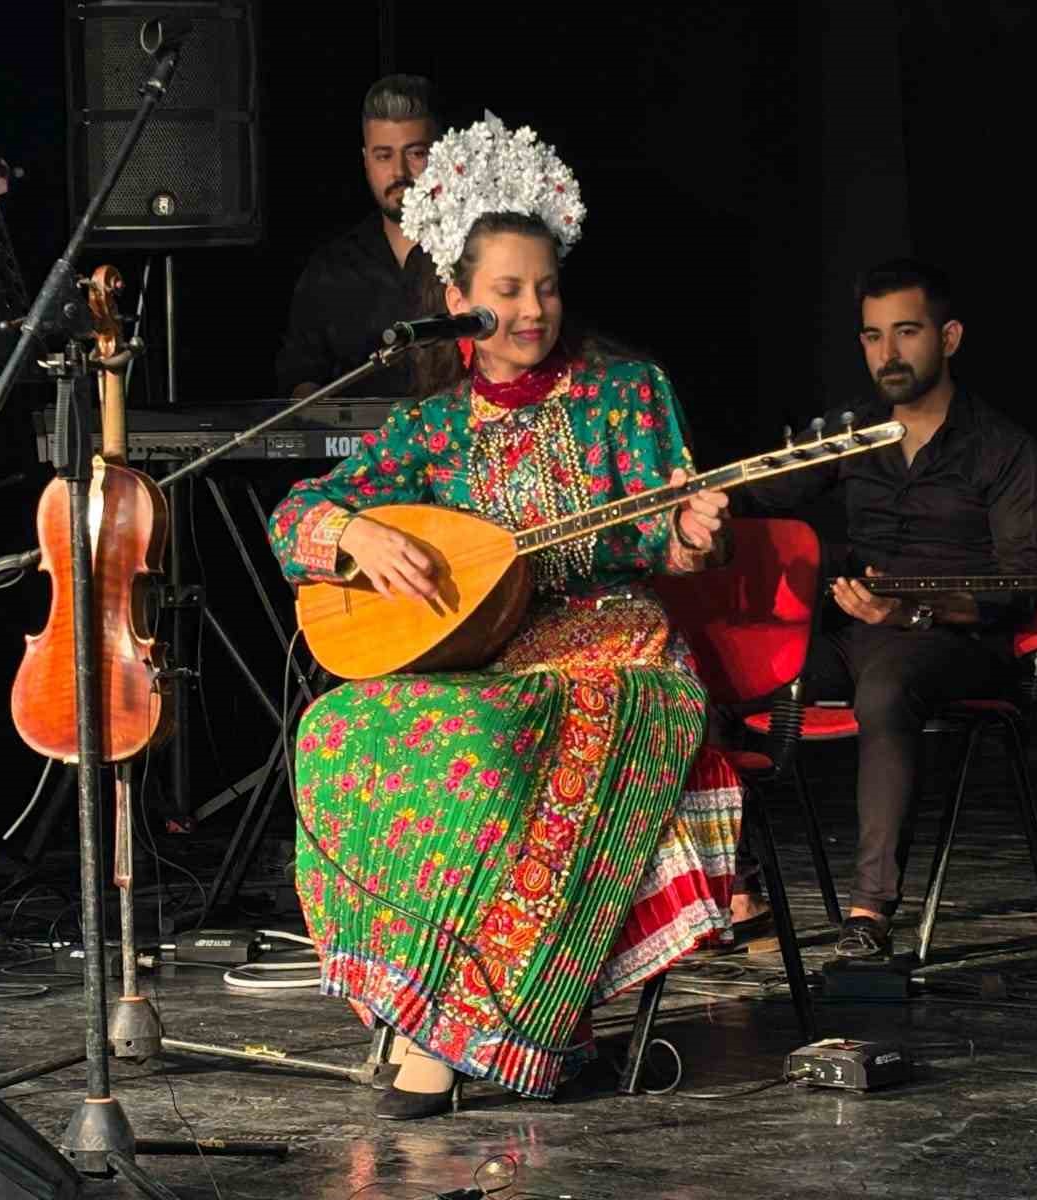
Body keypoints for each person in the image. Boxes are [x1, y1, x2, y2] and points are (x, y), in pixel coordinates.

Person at [268, 114, 739, 1118]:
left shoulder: (626, 393)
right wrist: (355, 538)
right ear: (457, 302)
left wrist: (694, 533)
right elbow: (294, 518)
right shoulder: (428, 429)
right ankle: (407, 1002)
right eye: (508, 291)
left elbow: (673, 539)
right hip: (489, 656)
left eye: (546, 285)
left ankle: (483, 1022)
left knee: (489, 740)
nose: (534, 308)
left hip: (618, 656)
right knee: (337, 727)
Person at [743, 258, 1037, 959]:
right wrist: (698, 505)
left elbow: (1022, 588)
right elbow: (759, 493)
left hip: (962, 642)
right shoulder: (856, 435)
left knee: (886, 688)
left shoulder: (1003, 449)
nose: (888, 353)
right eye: (873, 336)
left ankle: (869, 912)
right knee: (707, 677)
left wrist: (914, 614)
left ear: (948, 337)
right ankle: (740, 890)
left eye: (906, 332)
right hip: (862, 634)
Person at [274, 74, 441, 398]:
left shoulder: (477, 254)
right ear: (366, 161)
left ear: (442, 154)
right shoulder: (331, 267)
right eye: (383, 155)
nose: (399, 172)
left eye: (416, 153)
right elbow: (300, 377)